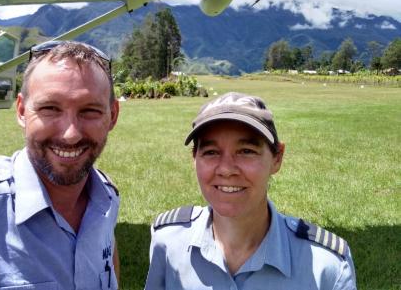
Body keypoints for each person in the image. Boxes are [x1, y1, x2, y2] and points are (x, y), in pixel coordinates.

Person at [0, 41, 121, 289]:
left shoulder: (106, 198)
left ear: (113, 115)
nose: (70, 134)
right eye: (50, 108)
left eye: (90, 111)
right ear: (22, 111)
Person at [145, 92, 357, 290]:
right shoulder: (167, 242)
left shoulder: (328, 267)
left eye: (246, 151)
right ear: (195, 159)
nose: (226, 169)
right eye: (211, 152)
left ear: (277, 158)